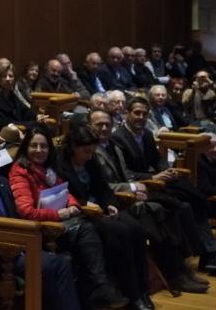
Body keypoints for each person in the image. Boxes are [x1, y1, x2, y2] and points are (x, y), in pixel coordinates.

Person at [89, 109, 209, 293]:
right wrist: (135, 188)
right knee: (155, 215)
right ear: (90, 126)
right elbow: (104, 186)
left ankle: (180, 270)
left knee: (170, 210)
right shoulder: (90, 151)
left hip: (130, 195)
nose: (104, 128)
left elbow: (126, 175)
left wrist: (136, 187)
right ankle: (174, 275)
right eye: (99, 125)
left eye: (107, 124)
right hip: (116, 203)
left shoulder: (112, 144)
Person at [8, 129, 127, 308]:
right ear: (26, 148)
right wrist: (58, 214)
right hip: (38, 229)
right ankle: (100, 287)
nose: (39, 150)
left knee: (95, 231)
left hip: (58, 224)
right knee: (87, 228)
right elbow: (26, 211)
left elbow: (65, 192)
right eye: (34, 146)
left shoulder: (48, 169)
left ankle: (97, 292)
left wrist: (73, 205)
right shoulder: (20, 172)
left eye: (43, 146)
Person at [112, 96, 216, 275]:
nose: (141, 117)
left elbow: (158, 161)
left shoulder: (146, 134)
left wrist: (167, 171)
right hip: (142, 186)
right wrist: (154, 176)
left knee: (196, 198)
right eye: (137, 113)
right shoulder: (118, 138)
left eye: (144, 114)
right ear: (127, 114)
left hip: (158, 181)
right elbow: (127, 174)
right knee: (185, 205)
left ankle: (210, 255)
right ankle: (205, 254)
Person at [0, 138, 80, 310]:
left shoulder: (2, 183)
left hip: (18, 249)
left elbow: (16, 217)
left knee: (62, 261)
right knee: (56, 265)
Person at [57, 127, 152, 310]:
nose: (89, 155)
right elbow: (63, 195)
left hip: (101, 209)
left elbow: (104, 188)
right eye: (85, 151)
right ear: (73, 147)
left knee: (136, 228)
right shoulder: (61, 165)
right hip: (84, 213)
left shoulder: (91, 162)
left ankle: (143, 289)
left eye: (92, 151)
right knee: (121, 232)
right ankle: (132, 294)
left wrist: (111, 204)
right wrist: (85, 204)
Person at [0, 62, 47, 135]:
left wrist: (37, 116)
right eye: (4, 76)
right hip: (4, 133)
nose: (7, 79)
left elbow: (25, 111)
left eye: (10, 76)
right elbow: (6, 122)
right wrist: (33, 122)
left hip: (19, 129)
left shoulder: (11, 94)